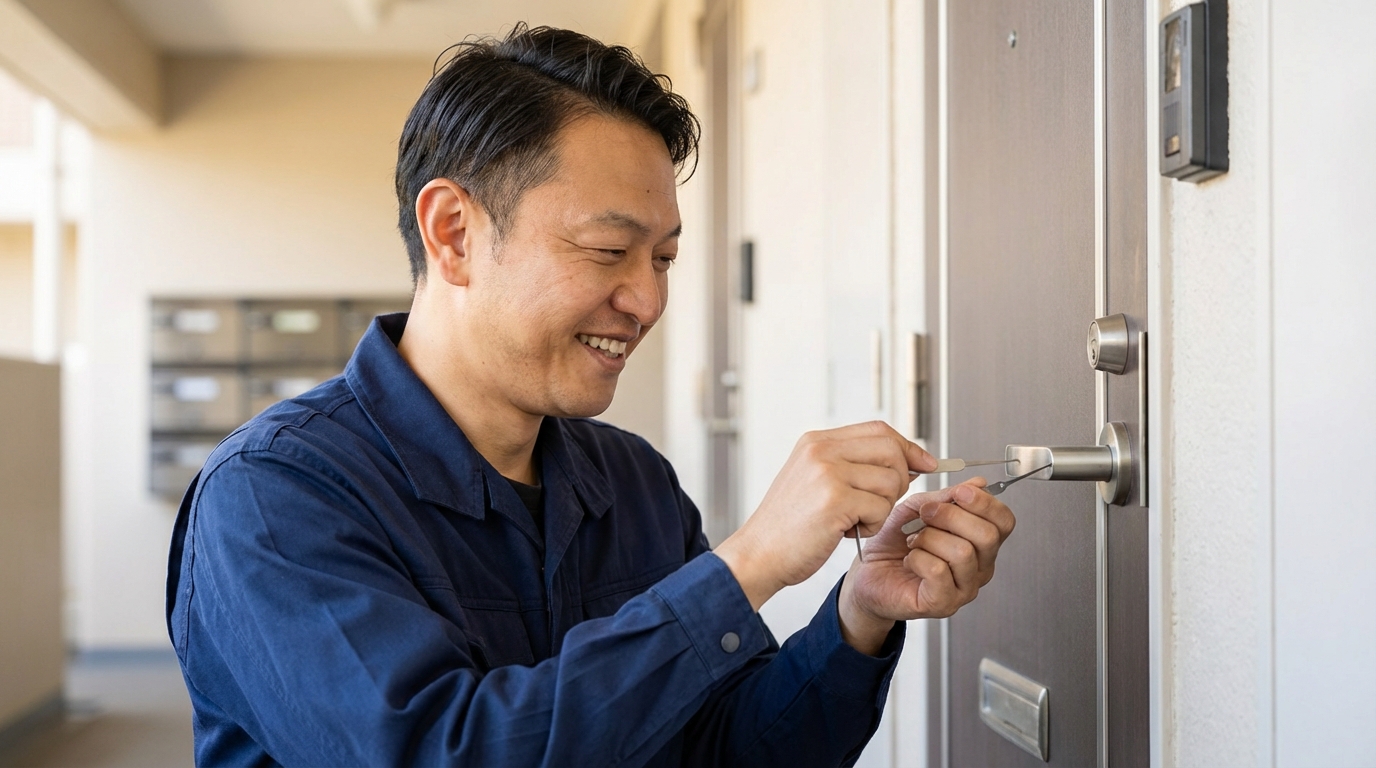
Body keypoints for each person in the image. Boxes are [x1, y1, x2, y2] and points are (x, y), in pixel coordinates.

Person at [165, 23, 1016, 767]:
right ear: (454, 234)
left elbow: (725, 748)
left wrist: (858, 619)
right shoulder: (273, 497)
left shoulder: (633, 483)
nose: (648, 302)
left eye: (665, 259)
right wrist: (746, 564)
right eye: (610, 252)